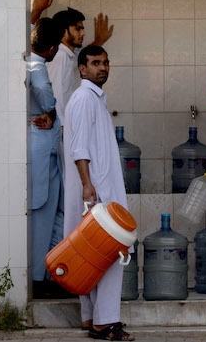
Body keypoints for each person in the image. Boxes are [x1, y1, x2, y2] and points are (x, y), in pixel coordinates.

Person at [62, 45, 135, 341]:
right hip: (95, 193)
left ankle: (91, 317)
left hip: (98, 192)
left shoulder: (94, 99)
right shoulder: (83, 98)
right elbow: (79, 147)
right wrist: (87, 185)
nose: (102, 67)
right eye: (95, 63)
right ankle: (105, 323)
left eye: (106, 62)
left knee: (91, 255)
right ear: (82, 68)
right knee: (107, 255)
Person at [27, 17, 67, 299]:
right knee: (43, 214)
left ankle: (49, 274)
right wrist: (51, 110)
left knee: (55, 212)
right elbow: (42, 89)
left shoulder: (27, 60)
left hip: (43, 147)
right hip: (42, 148)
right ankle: (40, 279)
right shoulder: (37, 66)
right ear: (52, 49)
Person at [46, 4, 114, 122]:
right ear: (63, 31)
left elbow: (81, 56)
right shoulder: (60, 56)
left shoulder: (67, 55)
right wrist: (62, 125)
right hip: (59, 125)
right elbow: (55, 93)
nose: (83, 33)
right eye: (78, 29)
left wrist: (99, 41)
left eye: (82, 29)